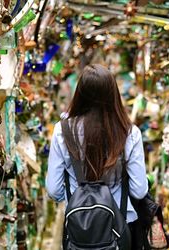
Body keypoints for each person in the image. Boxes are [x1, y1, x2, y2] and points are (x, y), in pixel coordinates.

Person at [46, 64, 148, 247]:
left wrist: (75, 195)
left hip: (79, 230)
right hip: (119, 229)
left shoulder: (62, 131)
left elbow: (53, 190)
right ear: (113, 95)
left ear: (80, 94)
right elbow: (139, 190)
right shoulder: (130, 133)